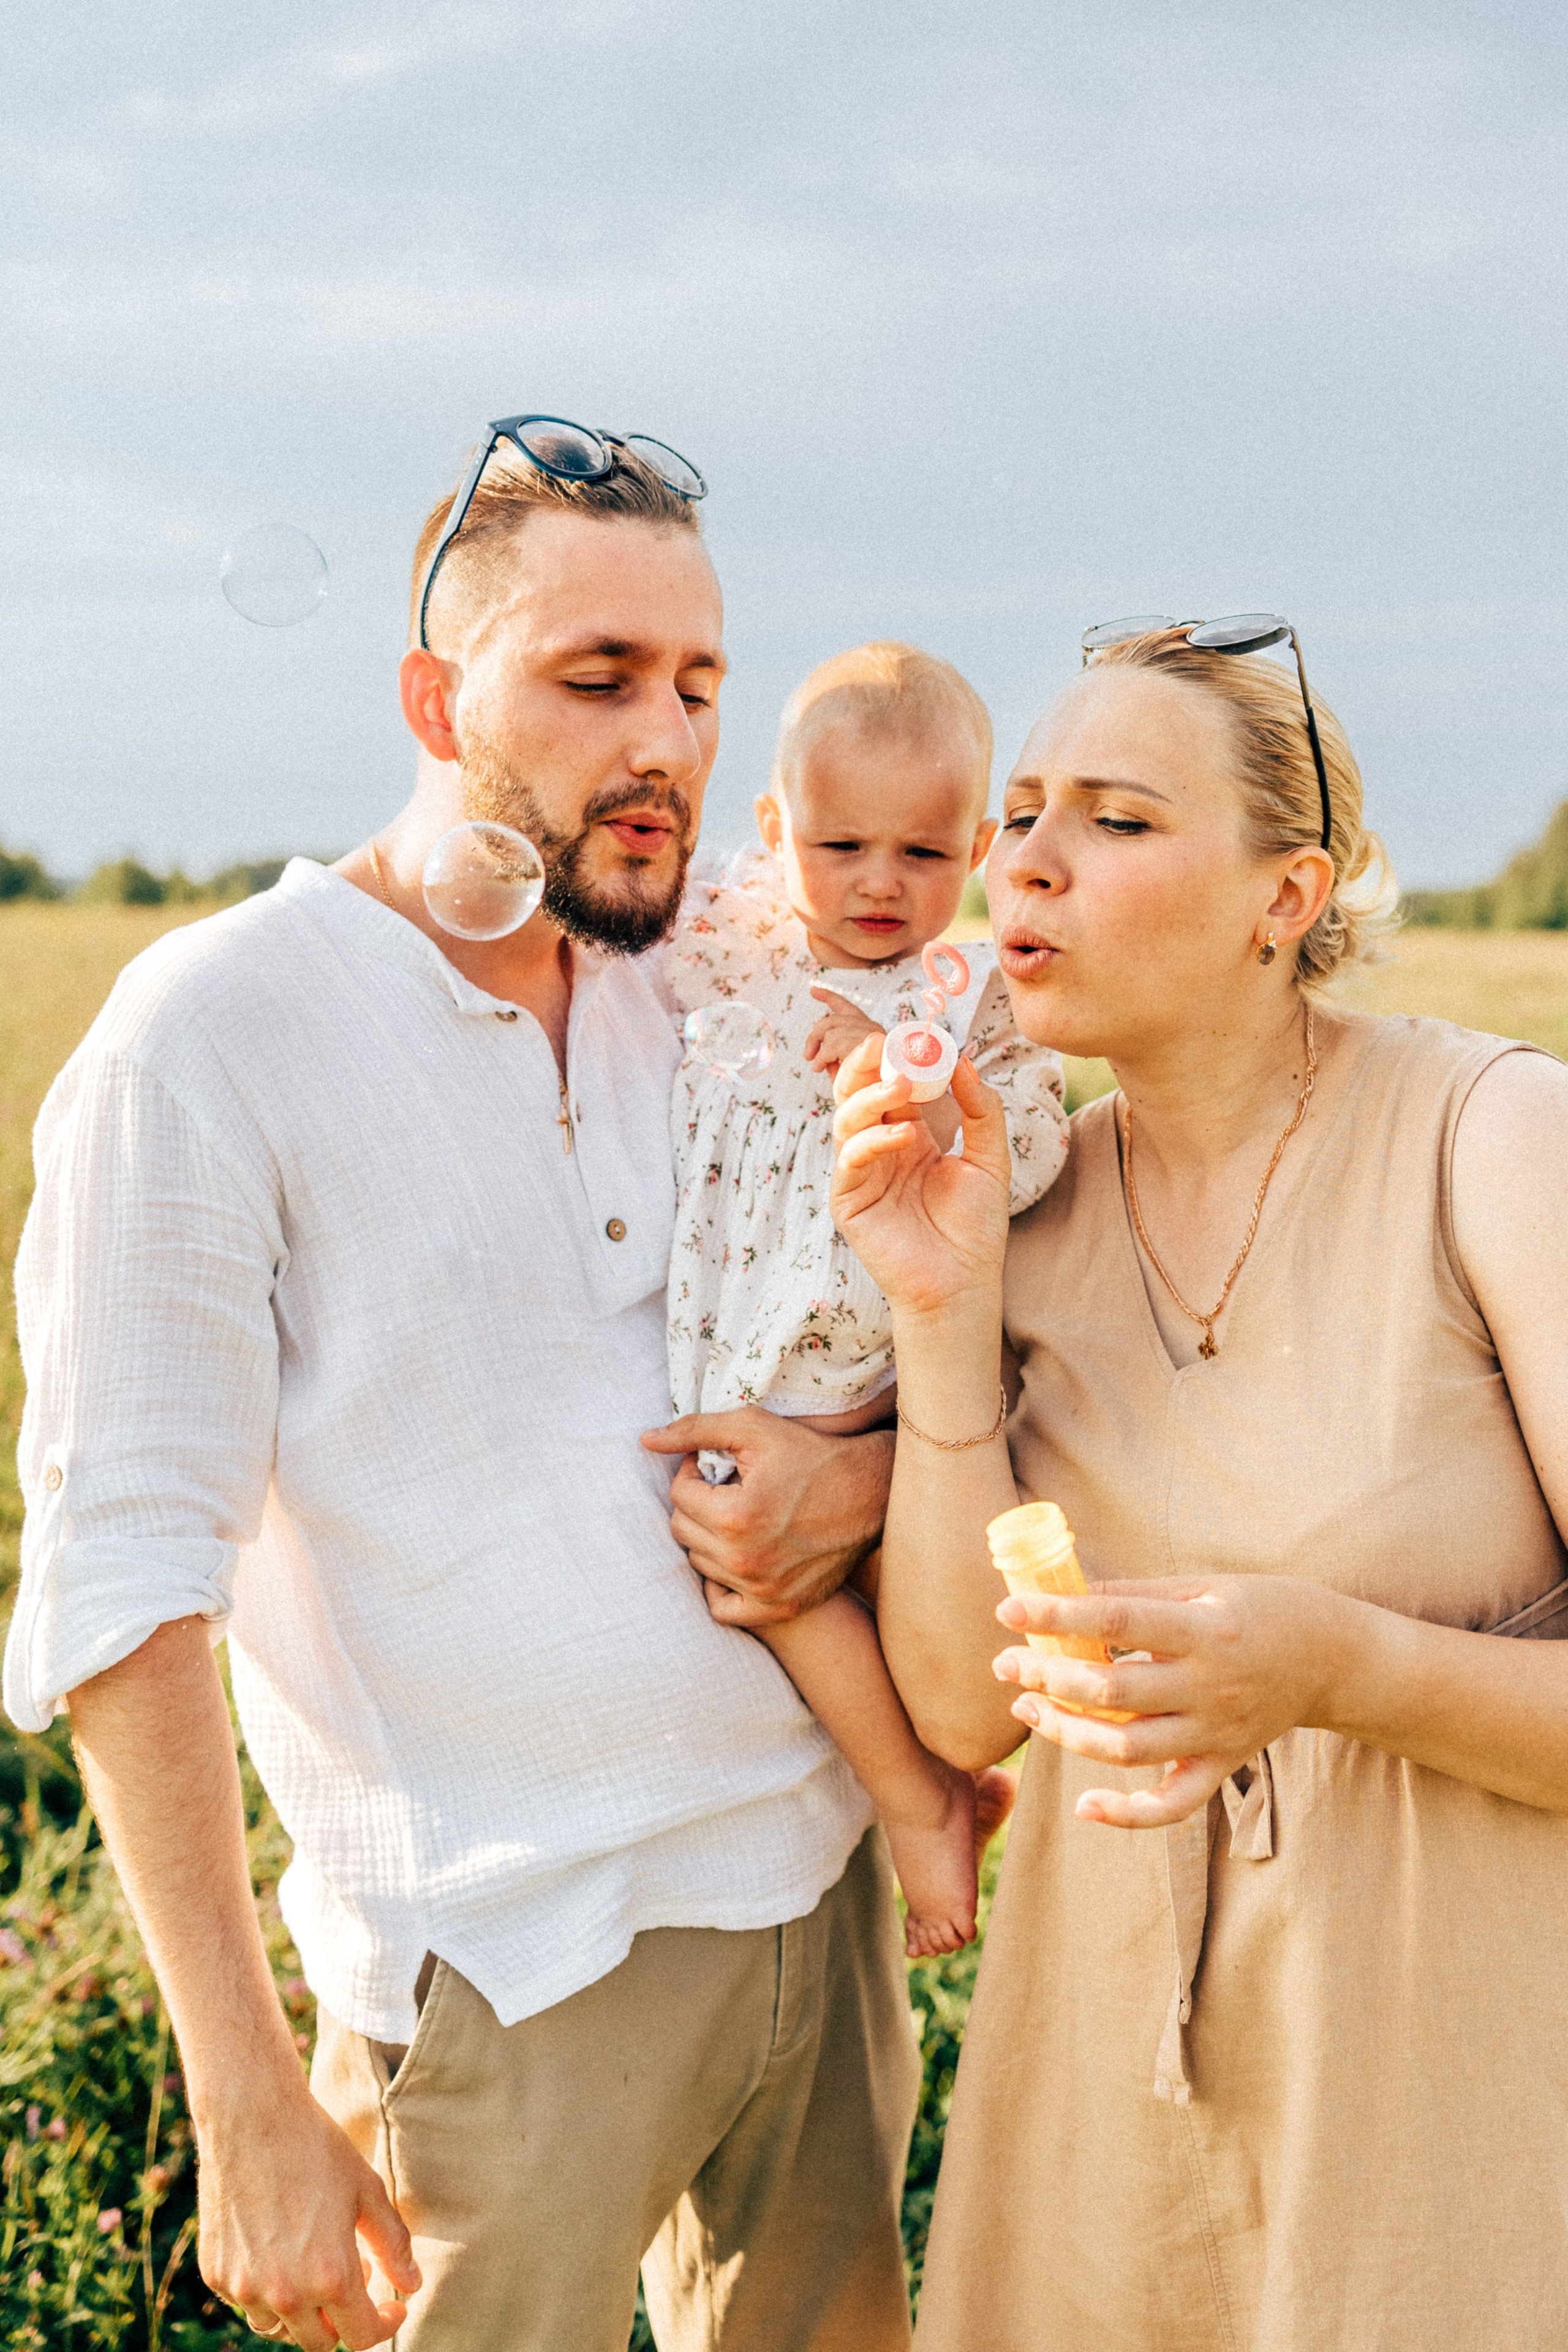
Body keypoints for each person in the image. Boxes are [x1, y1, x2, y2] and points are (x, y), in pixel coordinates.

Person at [4, 430, 916, 2352]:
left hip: (820, 1905)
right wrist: (243, 2096)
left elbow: (893, 1307)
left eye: (696, 685)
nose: (664, 740)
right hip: (507, 1975)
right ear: (436, 699)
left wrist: (870, 1485)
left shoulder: (729, 969)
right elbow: (122, 1579)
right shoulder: (213, 1031)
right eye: (596, 680)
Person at [830, 622, 1568, 2350]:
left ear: (1284, 894)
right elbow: (956, 1706)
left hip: (1460, 2097)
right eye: (1018, 815)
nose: (1027, 863)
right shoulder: (1026, 1206)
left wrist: (1344, 1671)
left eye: (1116, 819)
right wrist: (939, 1317)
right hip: (1110, 2116)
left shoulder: (1493, 1141)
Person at [666, 640, 1068, 1953]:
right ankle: (925, 1794)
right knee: (779, 1583)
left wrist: (913, 1080)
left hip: (883, 1354)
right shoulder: (734, 932)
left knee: (851, 1589)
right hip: (751, 1345)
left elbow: (1036, 1140)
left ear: (978, 849)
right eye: (840, 848)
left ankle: (930, 1788)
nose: (882, 886)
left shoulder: (970, 999)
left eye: (924, 855)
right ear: (775, 830)